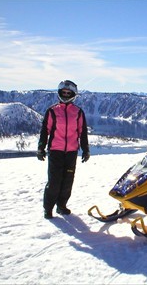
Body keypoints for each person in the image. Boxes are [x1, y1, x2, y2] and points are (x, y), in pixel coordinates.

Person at [37, 80, 90, 219]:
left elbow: (82, 132)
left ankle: (61, 206)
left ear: (73, 94)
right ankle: (48, 209)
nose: (66, 95)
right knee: (54, 182)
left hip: (71, 152)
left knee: (67, 181)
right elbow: (45, 131)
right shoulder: (52, 111)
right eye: (64, 92)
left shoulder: (78, 112)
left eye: (69, 93)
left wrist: (86, 149)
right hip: (56, 151)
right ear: (59, 93)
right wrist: (41, 148)